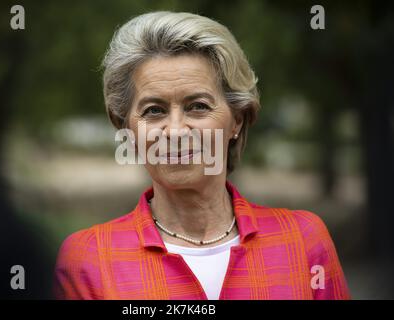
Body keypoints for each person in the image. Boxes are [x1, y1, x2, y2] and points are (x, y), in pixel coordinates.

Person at [54, 11, 350, 300]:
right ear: (127, 129)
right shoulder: (88, 259)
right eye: (154, 110)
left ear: (237, 119)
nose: (176, 131)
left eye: (197, 106)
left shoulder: (303, 240)